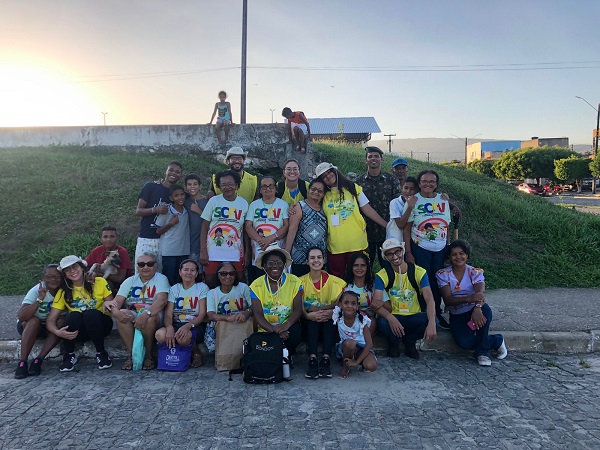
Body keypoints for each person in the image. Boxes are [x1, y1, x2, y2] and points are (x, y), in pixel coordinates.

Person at [436, 240, 508, 366]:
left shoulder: (475, 272)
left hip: (475, 310)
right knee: (464, 343)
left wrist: (477, 307)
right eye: (454, 254)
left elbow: (479, 294)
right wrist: (469, 299)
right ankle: (496, 340)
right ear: (449, 257)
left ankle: (482, 353)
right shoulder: (443, 274)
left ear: (467, 255)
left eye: (462, 253)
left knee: (485, 311)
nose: (458, 257)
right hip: (457, 314)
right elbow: (448, 300)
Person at [315, 162, 387, 279]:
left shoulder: (353, 188)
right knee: (337, 280)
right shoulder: (322, 195)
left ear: (335, 171)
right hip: (336, 245)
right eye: (324, 176)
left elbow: (368, 210)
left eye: (329, 172)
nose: (328, 176)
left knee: (359, 277)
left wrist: (386, 225)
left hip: (357, 243)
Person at [46, 256, 114, 372]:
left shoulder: (99, 281)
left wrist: (108, 304)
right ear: (64, 274)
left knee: (91, 314)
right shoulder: (63, 291)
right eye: (67, 270)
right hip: (79, 330)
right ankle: (69, 354)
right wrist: (57, 332)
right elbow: (51, 319)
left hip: (100, 325)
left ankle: (101, 353)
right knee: (73, 315)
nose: (72, 271)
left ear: (82, 267)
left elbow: (110, 302)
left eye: (75, 266)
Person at [371, 239, 437, 359]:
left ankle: (409, 341)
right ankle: (394, 342)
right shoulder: (382, 275)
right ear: (385, 256)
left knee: (434, 321)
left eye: (397, 252)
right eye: (390, 254)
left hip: (414, 315)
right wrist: (390, 318)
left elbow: (429, 299)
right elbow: (376, 303)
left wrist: (432, 323)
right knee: (382, 322)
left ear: (403, 251)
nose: (395, 256)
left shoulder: (419, 272)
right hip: (395, 315)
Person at [403, 170, 452, 329]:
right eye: (424, 181)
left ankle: (436, 313)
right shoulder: (413, 201)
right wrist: (409, 252)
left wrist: (448, 246)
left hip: (440, 249)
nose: (428, 184)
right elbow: (406, 229)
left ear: (436, 184)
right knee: (423, 281)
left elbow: (447, 225)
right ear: (419, 183)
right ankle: (424, 314)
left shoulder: (443, 200)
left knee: (438, 282)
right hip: (420, 247)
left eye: (432, 181)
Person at [108, 252, 170, 370]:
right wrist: (116, 313)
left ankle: (148, 356)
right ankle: (134, 355)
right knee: (122, 315)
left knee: (149, 319)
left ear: (155, 266)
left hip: (154, 313)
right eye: (141, 264)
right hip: (134, 311)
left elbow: (162, 300)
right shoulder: (129, 281)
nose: (145, 267)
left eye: (149, 264)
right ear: (137, 267)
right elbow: (117, 302)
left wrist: (145, 314)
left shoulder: (161, 279)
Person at [300, 247, 346, 379]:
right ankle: (312, 359)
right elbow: (297, 306)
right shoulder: (299, 282)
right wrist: (308, 314)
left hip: (327, 323)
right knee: (312, 320)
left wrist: (329, 311)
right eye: (312, 258)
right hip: (308, 324)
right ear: (307, 262)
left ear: (324, 260)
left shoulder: (335, 282)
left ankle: (326, 359)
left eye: (319, 257)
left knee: (330, 318)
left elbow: (340, 303)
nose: (316, 261)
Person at [249, 247, 303, 359]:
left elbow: (298, 309)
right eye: (270, 263)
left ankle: (288, 355)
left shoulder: (295, 281)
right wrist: (275, 331)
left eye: (279, 262)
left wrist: (285, 326)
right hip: (266, 328)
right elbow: (258, 314)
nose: (275, 266)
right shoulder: (256, 285)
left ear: (284, 265)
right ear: (264, 266)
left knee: (296, 332)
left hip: (288, 326)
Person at [155, 259, 209, 368]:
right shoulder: (174, 289)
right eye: (186, 270)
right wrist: (169, 327)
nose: (189, 273)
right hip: (177, 324)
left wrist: (188, 326)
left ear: (197, 273)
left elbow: (202, 314)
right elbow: (168, 314)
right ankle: (178, 355)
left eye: (192, 270)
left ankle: (196, 353)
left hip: (195, 325)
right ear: (180, 272)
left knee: (182, 338)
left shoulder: (202, 287)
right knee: (160, 335)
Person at [201, 170, 249, 288]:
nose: (227, 187)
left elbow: (246, 230)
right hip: (213, 250)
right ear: (219, 186)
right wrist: (203, 250)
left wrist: (248, 253)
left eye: (230, 184)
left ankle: (241, 305)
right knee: (210, 280)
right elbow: (204, 226)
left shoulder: (243, 203)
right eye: (223, 185)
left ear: (237, 185)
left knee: (240, 280)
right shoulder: (214, 201)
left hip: (235, 250)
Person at [15, 264, 64, 379]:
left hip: (50, 326)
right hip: (29, 326)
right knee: (33, 321)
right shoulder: (36, 290)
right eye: (50, 276)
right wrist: (39, 300)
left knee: (62, 322)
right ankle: (23, 362)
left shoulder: (64, 290)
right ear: (44, 278)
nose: (53, 280)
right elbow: (22, 316)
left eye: (57, 276)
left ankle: (39, 360)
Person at [134, 161, 184, 272]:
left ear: (180, 176)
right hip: (146, 238)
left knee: (160, 275)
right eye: (171, 170)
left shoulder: (178, 193)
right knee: (141, 272)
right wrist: (154, 209)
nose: (173, 173)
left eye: (177, 172)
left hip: (166, 240)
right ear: (165, 171)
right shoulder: (151, 186)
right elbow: (138, 211)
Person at [357, 146, 401, 270]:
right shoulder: (358, 182)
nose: (373, 159)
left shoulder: (391, 180)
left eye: (376, 156)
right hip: (366, 232)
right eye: (370, 156)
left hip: (387, 232)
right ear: (366, 160)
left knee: (389, 266)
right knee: (365, 267)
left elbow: (398, 203)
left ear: (382, 159)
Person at [245, 175, 289, 283]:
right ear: (260, 189)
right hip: (258, 249)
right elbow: (248, 226)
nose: (268, 189)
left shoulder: (283, 204)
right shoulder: (254, 205)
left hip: (277, 249)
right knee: (259, 281)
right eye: (264, 186)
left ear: (275, 188)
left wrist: (271, 238)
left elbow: (286, 225)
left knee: (277, 280)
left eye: (271, 186)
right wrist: (261, 240)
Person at [284, 179, 327, 277]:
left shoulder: (325, 208)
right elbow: (292, 229)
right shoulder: (299, 207)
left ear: (324, 194)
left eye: (320, 191)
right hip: (300, 256)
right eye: (313, 189)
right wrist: (287, 252)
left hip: (319, 257)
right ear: (309, 189)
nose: (316, 192)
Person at [332, 291, 377, 379]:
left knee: (372, 366)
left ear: (357, 307)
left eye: (353, 304)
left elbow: (369, 344)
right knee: (351, 343)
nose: (349, 306)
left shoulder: (362, 320)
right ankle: (346, 365)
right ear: (340, 304)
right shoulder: (337, 315)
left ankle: (357, 361)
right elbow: (324, 314)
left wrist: (357, 361)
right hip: (346, 347)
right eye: (346, 303)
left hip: (361, 348)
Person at [155, 184, 190, 285]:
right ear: (171, 198)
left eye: (182, 194)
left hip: (183, 251)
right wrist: (171, 223)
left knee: (180, 280)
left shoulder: (186, 210)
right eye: (176, 195)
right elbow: (158, 231)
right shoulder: (167, 211)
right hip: (169, 252)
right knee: (169, 280)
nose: (180, 197)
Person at [85, 226, 132, 292]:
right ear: (101, 239)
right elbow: (84, 264)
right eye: (105, 237)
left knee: (106, 283)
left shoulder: (122, 252)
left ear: (117, 238)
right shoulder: (97, 250)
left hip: (118, 285)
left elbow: (120, 278)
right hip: (99, 279)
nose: (108, 239)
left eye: (112, 236)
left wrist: (99, 274)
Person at [344, 252, 381, 335]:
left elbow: (389, 307)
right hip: (350, 318)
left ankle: (364, 345)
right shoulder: (345, 286)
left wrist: (380, 303)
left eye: (363, 265)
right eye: (356, 265)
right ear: (351, 267)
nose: (359, 268)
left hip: (369, 320)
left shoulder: (374, 285)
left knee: (372, 321)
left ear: (367, 267)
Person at [184, 174, 208, 270]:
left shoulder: (208, 201)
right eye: (189, 184)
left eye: (195, 184)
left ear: (200, 186)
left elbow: (212, 222)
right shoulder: (184, 202)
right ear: (185, 187)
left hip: (206, 244)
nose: (192, 187)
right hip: (191, 244)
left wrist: (199, 211)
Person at [387, 177, 418, 242]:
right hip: (395, 239)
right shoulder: (395, 202)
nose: (408, 191)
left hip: (410, 239)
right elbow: (400, 225)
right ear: (401, 188)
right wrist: (409, 207)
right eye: (406, 188)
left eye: (412, 189)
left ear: (416, 190)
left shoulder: (417, 202)